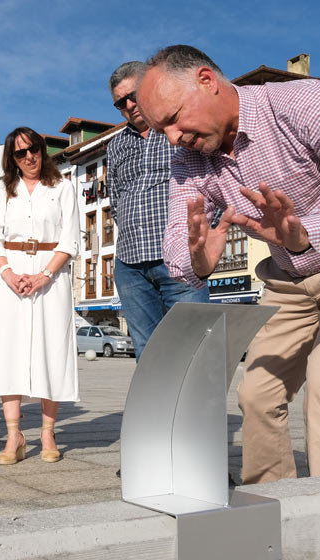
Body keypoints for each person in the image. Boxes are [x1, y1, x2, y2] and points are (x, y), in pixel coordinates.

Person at [136, 45, 320, 483]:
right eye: (160, 129)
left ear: (207, 81)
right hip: (290, 277)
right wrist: (196, 260)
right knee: (257, 393)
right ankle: (271, 503)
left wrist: (308, 232)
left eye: (173, 118)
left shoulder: (300, 102)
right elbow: (178, 234)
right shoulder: (190, 160)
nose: (173, 137)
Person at [0, 127, 80, 465]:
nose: (29, 157)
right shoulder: (6, 192)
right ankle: (14, 435)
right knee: (9, 351)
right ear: (13, 159)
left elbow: (70, 240)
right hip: (12, 274)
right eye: (20, 153)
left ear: (42, 149)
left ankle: (48, 432)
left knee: (53, 348)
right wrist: (8, 273)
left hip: (51, 274)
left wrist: (44, 275)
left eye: (33, 149)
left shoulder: (62, 187)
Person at [106, 61, 210, 360]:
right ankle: (155, 409)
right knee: (147, 352)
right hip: (130, 263)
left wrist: (199, 240)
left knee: (194, 347)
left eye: (133, 95)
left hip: (179, 258)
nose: (128, 105)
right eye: (120, 103)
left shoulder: (181, 126)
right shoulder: (116, 146)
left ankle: (196, 409)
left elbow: (209, 182)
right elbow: (116, 200)